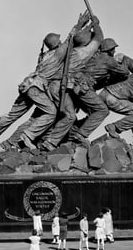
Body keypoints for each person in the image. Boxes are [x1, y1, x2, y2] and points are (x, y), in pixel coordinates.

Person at [0, 12, 90, 150]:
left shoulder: (44, 56)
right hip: (36, 88)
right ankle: (28, 135)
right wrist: (81, 23)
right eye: (59, 42)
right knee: (51, 112)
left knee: (12, 115)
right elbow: (70, 39)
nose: (61, 42)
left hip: (27, 85)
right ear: (56, 44)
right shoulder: (57, 55)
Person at [38, 15, 105, 150]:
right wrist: (96, 25)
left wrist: (84, 25)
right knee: (70, 116)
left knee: (62, 114)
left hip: (52, 86)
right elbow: (99, 39)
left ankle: (49, 139)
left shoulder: (63, 51)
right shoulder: (83, 52)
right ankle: (50, 142)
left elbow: (72, 36)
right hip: (60, 86)